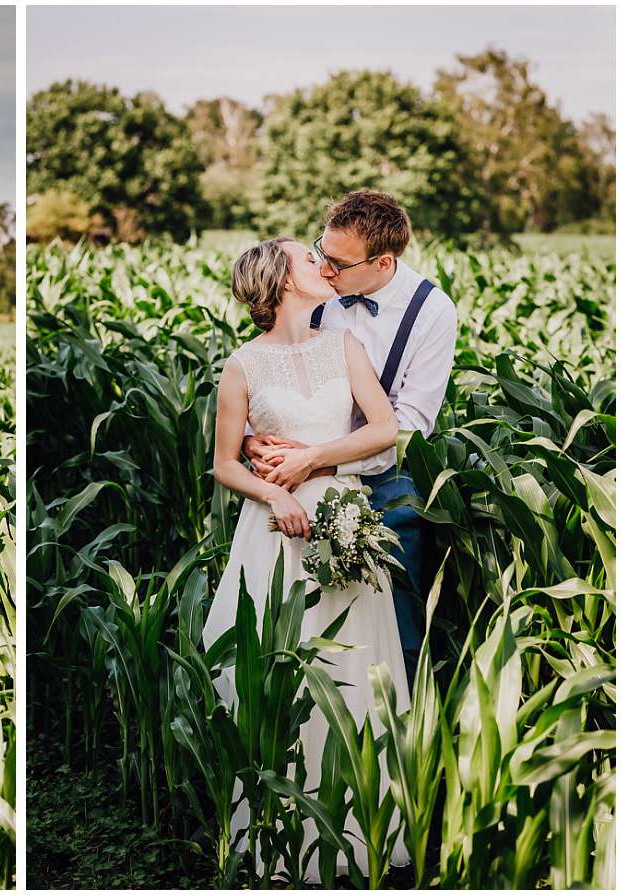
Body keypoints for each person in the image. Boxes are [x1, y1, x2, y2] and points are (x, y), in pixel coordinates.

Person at [201, 236, 411, 882]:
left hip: (344, 519)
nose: (323, 265)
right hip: (276, 532)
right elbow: (225, 462)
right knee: (288, 668)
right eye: (306, 258)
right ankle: (285, 834)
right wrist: (272, 488)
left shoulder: (343, 346)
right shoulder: (240, 366)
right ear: (282, 280)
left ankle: (366, 827)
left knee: (355, 668)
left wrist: (309, 460)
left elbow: (385, 427)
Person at [242, 191, 458, 692]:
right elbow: (273, 366)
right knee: (300, 616)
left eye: (337, 262)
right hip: (297, 483)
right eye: (321, 250)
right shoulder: (317, 293)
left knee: (394, 622)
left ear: (382, 262)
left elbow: (409, 427)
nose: (324, 267)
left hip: (387, 486)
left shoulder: (430, 312)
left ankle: (395, 745)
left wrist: (321, 464)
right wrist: (256, 439)